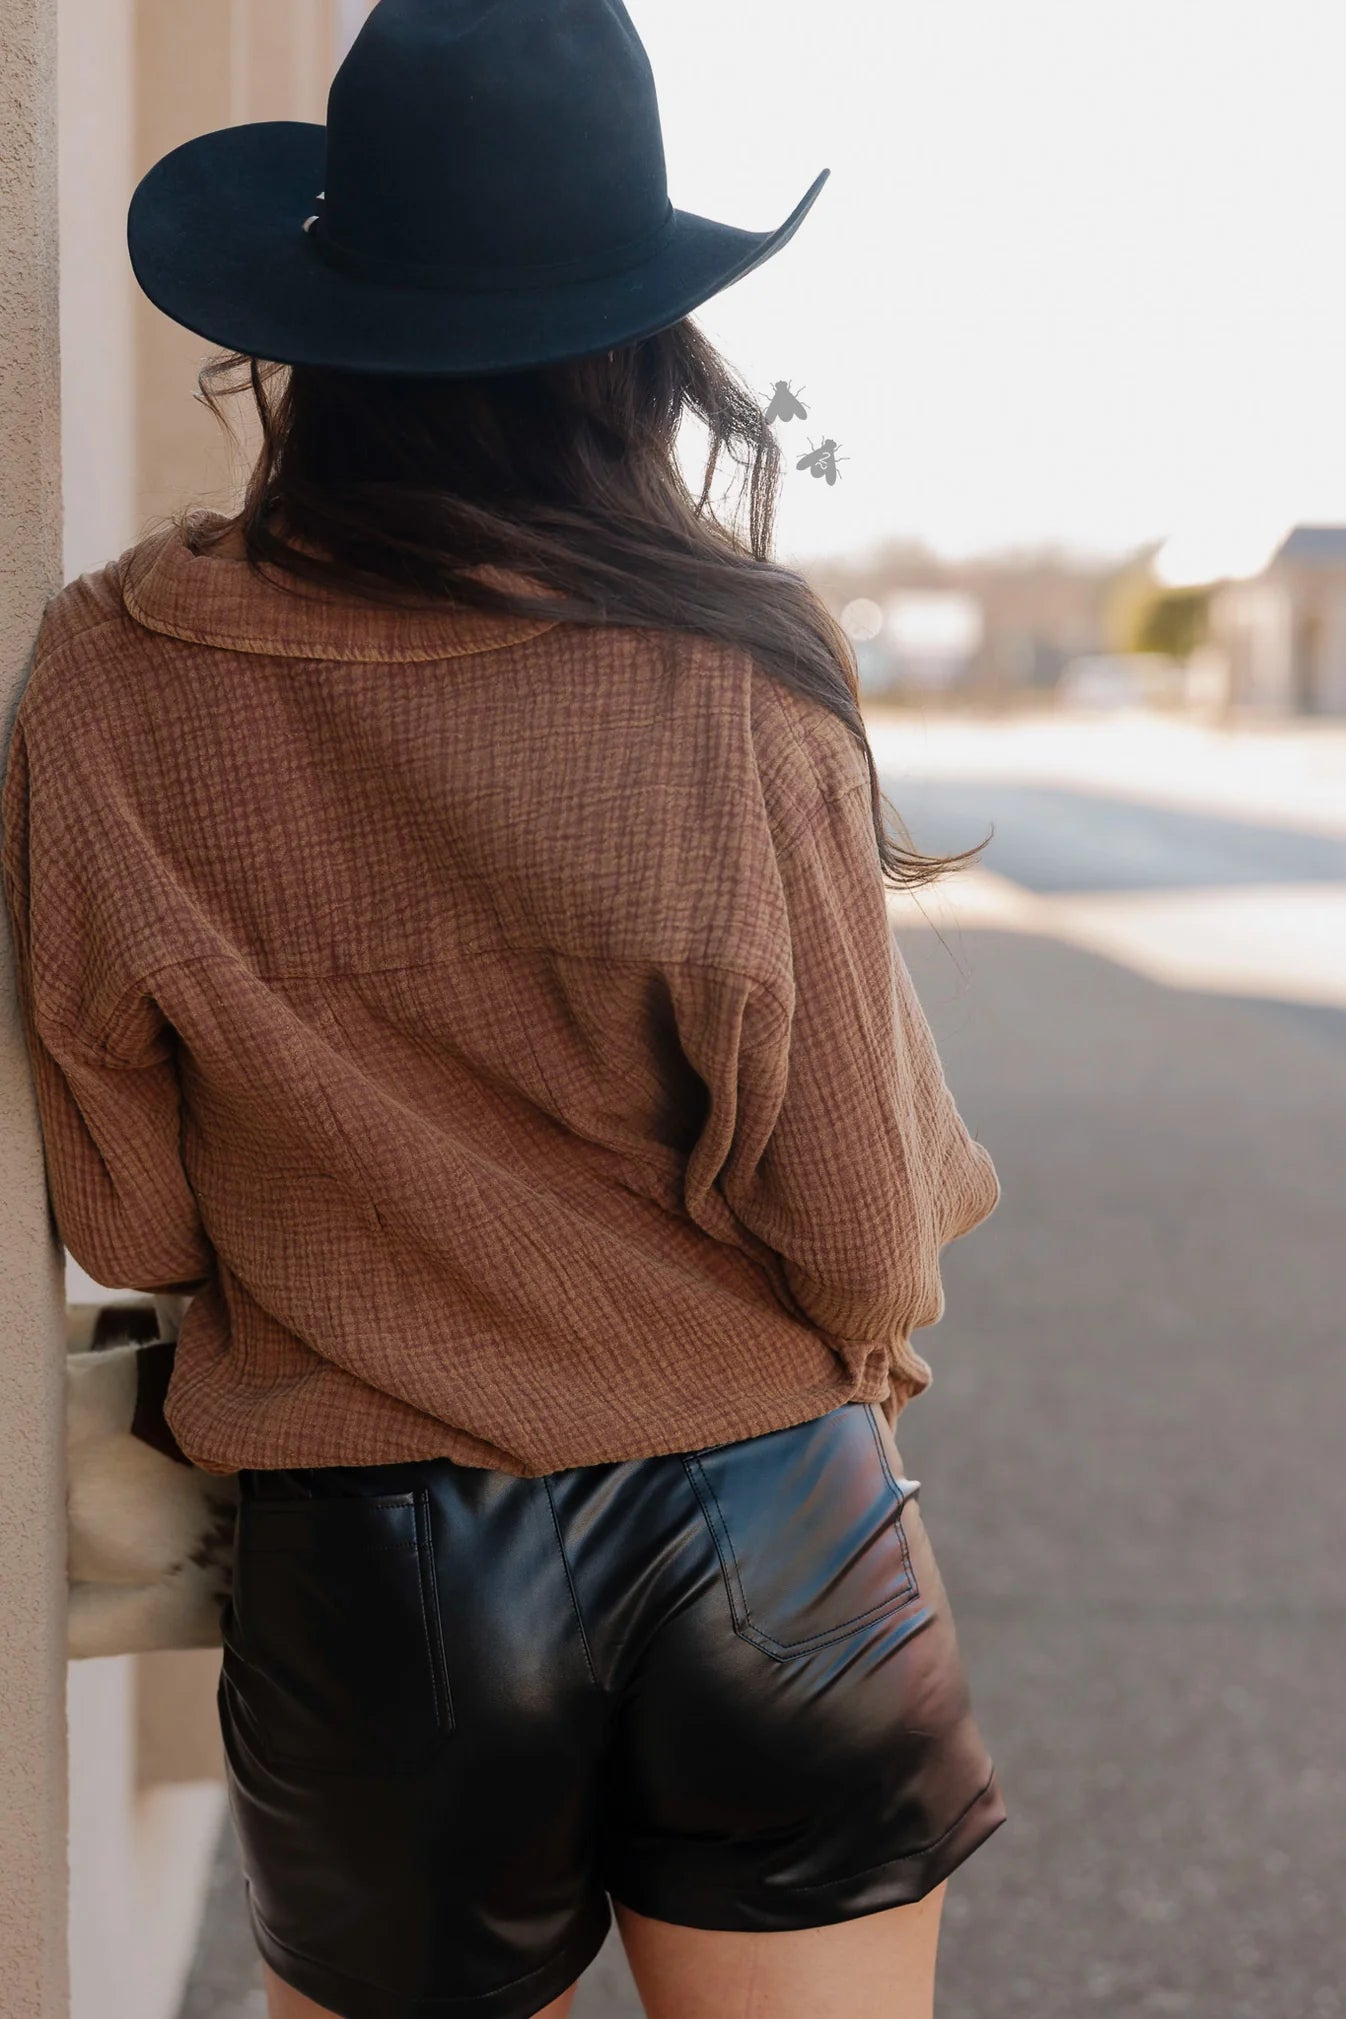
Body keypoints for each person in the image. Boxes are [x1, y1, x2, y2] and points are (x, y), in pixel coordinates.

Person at [1, 3, 1006, 2015]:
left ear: (309, 328)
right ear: (642, 343)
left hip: (376, 1572)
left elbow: (130, 1219)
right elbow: (857, 1223)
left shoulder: (109, 673)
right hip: (766, 1521)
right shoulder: (734, 663)